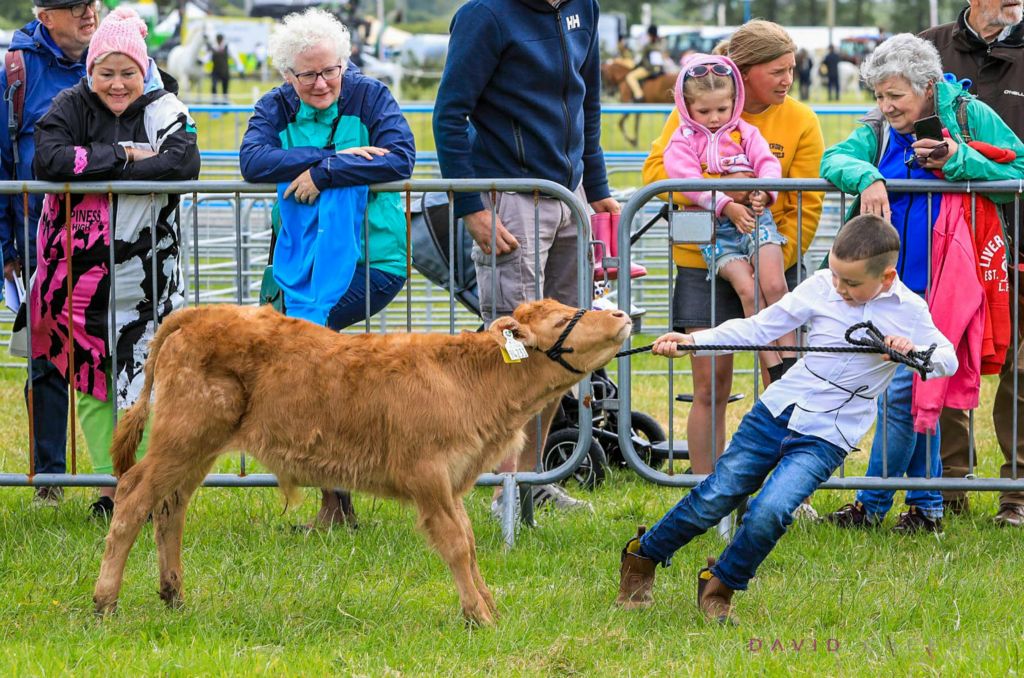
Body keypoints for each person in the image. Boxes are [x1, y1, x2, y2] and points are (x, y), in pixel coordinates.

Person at [614, 215, 958, 623]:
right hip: (777, 412)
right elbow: (760, 326)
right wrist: (693, 342)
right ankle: (643, 555)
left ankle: (720, 585)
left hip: (828, 435)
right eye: (835, 276)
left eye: (850, 284)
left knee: (770, 512)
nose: (839, 288)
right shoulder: (820, 287)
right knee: (715, 497)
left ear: (887, 276)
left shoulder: (910, 311)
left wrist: (913, 351)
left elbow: (947, 358)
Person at [820, 33, 1024, 532]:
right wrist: (867, 177)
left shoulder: (972, 114)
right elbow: (833, 160)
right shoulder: (879, 127)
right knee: (915, 392)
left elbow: (1017, 164)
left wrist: (957, 158)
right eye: (879, 96)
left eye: (895, 96)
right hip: (888, 284)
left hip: (948, 282)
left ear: (928, 87)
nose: (885, 106)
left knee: (906, 392)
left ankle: (875, 505)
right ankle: (925, 507)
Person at [433, 0, 620, 518]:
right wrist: (470, 206)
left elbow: (588, 103)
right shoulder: (485, 15)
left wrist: (596, 185)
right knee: (514, 349)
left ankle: (530, 479)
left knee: (566, 345)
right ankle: (502, 487)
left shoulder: (583, 6)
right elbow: (450, 112)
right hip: (510, 199)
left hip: (569, 197)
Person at [239, 7, 415, 529]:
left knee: (312, 354)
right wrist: (333, 157)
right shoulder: (274, 105)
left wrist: (327, 172)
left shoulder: (371, 95)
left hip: (374, 260)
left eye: (330, 71)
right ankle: (334, 494)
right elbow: (253, 161)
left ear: (346, 62)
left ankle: (337, 499)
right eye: (307, 75)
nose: (321, 83)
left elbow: (401, 156)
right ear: (286, 76)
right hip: (297, 262)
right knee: (306, 364)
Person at [642, 20, 824, 507]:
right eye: (777, 71)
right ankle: (707, 492)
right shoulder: (694, 110)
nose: (788, 79)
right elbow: (660, 175)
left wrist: (777, 264)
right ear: (743, 72)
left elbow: (806, 202)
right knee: (710, 383)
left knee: (783, 380)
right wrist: (729, 193)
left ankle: (790, 491)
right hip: (703, 260)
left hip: (770, 258)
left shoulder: (801, 120)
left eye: (791, 70)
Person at [29, 6, 200, 517]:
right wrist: (127, 155)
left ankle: (147, 486)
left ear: (144, 69)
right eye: (107, 72)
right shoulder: (69, 102)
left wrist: (97, 162)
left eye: (128, 72)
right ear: (91, 71)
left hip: (150, 279)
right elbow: (51, 159)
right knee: (91, 385)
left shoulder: (165, 105)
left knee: (147, 385)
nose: (118, 84)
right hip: (80, 283)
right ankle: (111, 488)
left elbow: (183, 161)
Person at [921, 0, 1024, 526]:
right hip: (946, 240)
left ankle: (1018, 495)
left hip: (1021, 238)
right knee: (945, 356)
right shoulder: (928, 47)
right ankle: (947, 486)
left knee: (1022, 369)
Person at [0, 0, 97, 507]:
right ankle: (50, 480)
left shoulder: (118, 53)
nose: (88, 12)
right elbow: (0, 161)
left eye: (92, 3)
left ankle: (112, 477)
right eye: (74, 5)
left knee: (118, 354)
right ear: (45, 16)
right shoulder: (15, 73)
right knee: (46, 359)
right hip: (42, 240)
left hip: (111, 236)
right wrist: (6, 248)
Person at [663, 53, 795, 383]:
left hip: (757, 221)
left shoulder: (744, 132)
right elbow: (688, 183)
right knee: (748, 289)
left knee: (775, 284)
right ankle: (772, 361)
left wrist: (764, 191)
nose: (713, 118)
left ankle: (791, 359)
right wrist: (727, 204)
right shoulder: (681, 141)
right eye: (703, 111)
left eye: (722, 110)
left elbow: (767, 163)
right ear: (686, 106)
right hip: (717, 231)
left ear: (734, 104)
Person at [625, 24, 665, 103]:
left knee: (630, 77)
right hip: (659, 69)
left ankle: (638, 95)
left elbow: (643, 59)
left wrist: (636, 65)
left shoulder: (648, 45)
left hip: (648, 69)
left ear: (649, 34)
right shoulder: (659, 43)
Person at [206, 33, 236, 100]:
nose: (219, 41)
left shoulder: (227, 47)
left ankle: (225, 106)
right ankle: (214, 104)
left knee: (225, 91)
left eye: (220, 40)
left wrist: (240, 67)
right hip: (215, 71)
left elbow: (234, 57)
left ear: (222, 40)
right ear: (216, 40)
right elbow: (207, 58)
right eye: (218, 40)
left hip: (225, 72)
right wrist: (201, 61)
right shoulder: (213, 48)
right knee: (214, 87)